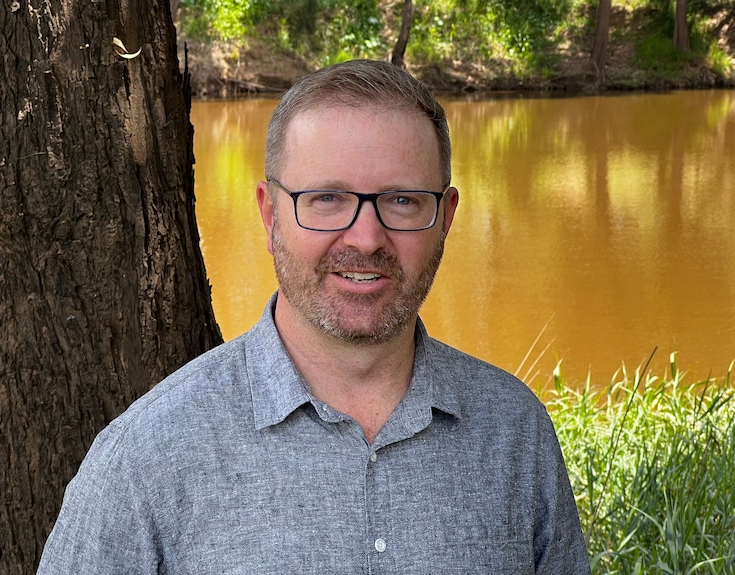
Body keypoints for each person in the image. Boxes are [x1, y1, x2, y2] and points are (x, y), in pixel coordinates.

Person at [37, 59, 591, 574]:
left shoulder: (516, 432)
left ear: (445, 217)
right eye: (326, 198)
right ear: (270, 213)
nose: (367, 238)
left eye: (402, 201)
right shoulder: (145, 458)